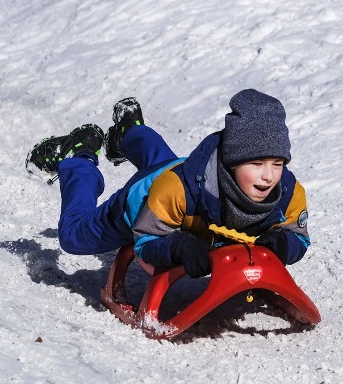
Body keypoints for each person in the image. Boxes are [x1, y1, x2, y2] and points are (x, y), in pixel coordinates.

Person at [26, 90, 310, 278]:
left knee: (163, 163)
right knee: (74, 236)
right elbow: (146, 240)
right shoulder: (178, 191)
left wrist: (285, 243)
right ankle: (80, 159)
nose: (269, 176)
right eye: (257, 164)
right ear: (232, 162)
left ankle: (130, 131)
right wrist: (175, 247)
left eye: (277, 163)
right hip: (146, 199)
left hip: (182, 172)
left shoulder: (288, 193)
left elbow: (298, 235)